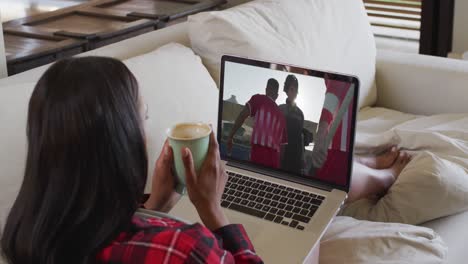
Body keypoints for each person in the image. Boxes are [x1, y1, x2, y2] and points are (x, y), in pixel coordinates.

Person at [0, 57, 263, 264]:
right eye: (143, 118)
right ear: (122, 140)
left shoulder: (24, 236)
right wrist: (212, 209)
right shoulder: (184, 249)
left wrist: (154, 206)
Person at [227, 78, 287, 169]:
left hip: (258, 156)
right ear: (277, 96)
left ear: (266, 89)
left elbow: (242, 115)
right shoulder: (282, 116)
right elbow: (283, 147)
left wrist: (230, 136)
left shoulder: (259, 99)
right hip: (275, 162)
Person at [279, 75, 305, 174]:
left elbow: (301, 137)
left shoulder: (300, 113)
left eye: (295, 89)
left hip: (296, 159)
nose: (293, 91)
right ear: (287, 90)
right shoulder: (280, 109)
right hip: (282, 156)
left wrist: (302, 158)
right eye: (291, 88)